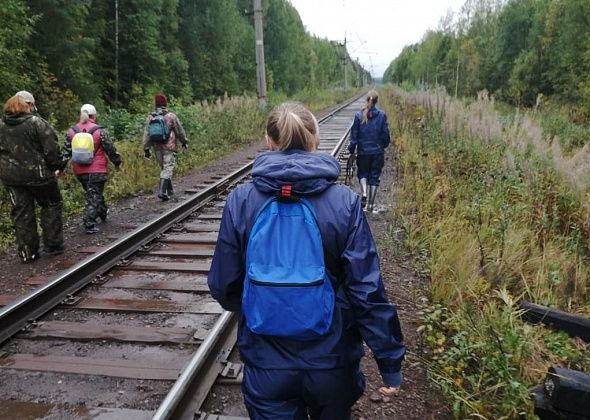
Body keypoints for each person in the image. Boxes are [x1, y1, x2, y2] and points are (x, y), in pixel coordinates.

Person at [208, 102, 405, 419]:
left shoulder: (241, 201)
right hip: (332, 361)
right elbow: (366, 292)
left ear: (269, 141)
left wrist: (263, 301)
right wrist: (389, 361)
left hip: (266, 362)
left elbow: (224, 286)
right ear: (314, 139)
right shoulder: (343, 203)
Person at [0, 91, 65, 263]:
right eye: (33, 105)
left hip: (12, 177)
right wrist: (57, 166)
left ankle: (28, 253)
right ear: (28, 105)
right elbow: (51, 149)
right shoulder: (37, 123)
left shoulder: (1, 125)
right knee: (51, 203)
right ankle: (52, 245)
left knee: (22, 213)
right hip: (39, 175)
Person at [63, 104, 121, 234]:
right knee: (93, 195)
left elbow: (65, 152)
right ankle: (89, 223)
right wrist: (117, 162)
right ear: (93, 115)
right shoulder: (100, 131)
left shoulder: (72, 131)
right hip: (97, 170)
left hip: (80, 171)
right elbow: (110, 149)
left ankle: (102, 212)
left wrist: (59, 168)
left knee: (93, 193)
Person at [347, 90, 391, 213]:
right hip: (377, 152)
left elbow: (353, 136)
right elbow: (385, 134)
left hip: (363, 152)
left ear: (367, 100)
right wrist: (383, 146)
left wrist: (352, 150)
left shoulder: (358, 115)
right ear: (376, 101)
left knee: (363, 174)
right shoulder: (382, 115)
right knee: (374, 176)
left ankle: (364, 193)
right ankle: (371, 205)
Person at [142, 94, 188, 201]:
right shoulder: (171, 116)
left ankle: (170, 191)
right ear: (165, 104)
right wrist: (184, 141)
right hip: (169, 146)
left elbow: (147, 134)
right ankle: (162, 191)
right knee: (168, 168)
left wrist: (146, 148)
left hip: (157, 147)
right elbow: (179, 131)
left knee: (164, 168)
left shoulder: (150, 117)